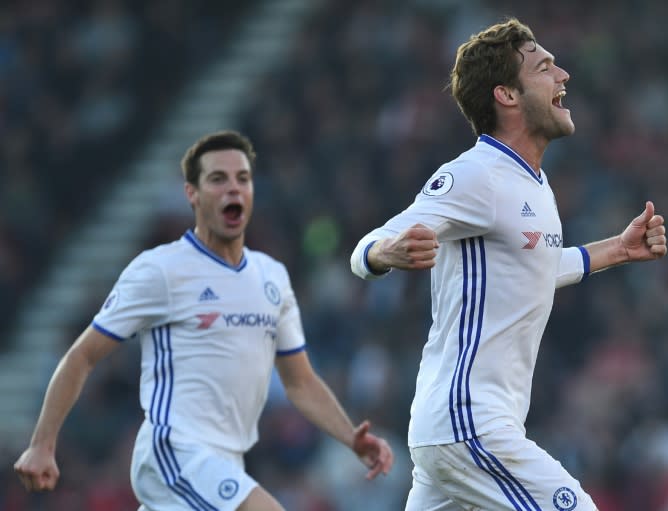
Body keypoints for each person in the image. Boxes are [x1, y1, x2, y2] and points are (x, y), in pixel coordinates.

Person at [350, 18, 667, 511]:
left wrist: (617, 250)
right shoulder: (476, 174)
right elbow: (372, 242)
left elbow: (529, 269)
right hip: (468, 423)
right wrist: (381, 254)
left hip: (456, 430)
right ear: (507, 96)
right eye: (545, 67)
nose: (563, 75)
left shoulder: (534, 183)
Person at [15, 130, 394, 511]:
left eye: (242, 179)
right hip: (173, 451)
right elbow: (82, 356)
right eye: (218, 179)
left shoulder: (271, 277)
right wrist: (42, 444)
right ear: (192, 194)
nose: (233, 188)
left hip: (226, 460)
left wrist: (350, 438)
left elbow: (301, 382)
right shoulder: (160, 270)